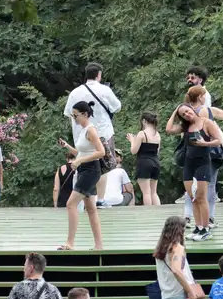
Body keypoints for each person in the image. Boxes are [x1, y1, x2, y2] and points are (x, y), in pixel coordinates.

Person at [180, 73, 223, 229]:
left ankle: (188, 217)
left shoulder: (186, 113)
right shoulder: (209, 110)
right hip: (211, 152)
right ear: (201, 97)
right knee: (209, 186)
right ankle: (209, 219)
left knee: (192, 185)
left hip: (192, 153)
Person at [166, 88, 223, 241]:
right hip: (189, 164)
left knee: (201, 197)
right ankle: (198, 227)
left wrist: (204, 143)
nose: (187, 114)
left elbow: (218, 141)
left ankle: (205, 229)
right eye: (183, 114)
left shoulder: (206, 123)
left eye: (187, 111)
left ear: (192, 109)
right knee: (193, 197)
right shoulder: (185, 127)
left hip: (203, 163)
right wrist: (176, 110)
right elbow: (168, 129)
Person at [63, 62, 121, 206]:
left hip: (82, 133)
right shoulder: (104, 90)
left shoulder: (75, 92)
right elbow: (117, 107)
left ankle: (84, 200)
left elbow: (68, 113)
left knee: (83, 163)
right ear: (98, 75)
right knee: (103, 165)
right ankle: (100, 199)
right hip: (103, 132)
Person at [56, 101, 105, 251]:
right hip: (84, 169)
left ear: (85, 114)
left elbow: (101, 152)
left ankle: (70, 243)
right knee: (91, 209)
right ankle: (99, 245)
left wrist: (80, 161)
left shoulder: (91, 130)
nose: (74, 118)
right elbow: (81, 152)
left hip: (90, 170)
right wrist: (67, 146)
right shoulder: (83, 131)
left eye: (75, 115)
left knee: (71, 204)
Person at [128, 112, 161, 206]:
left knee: (146, 192)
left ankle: (148, 212)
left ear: (144, 121)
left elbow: (134, 151)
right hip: (155, 162)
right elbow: (157, 151)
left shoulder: (142, 133)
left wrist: (132, 141)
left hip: (144, 163)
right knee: (154, 192)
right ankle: (159, 211)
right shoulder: (157, 134)